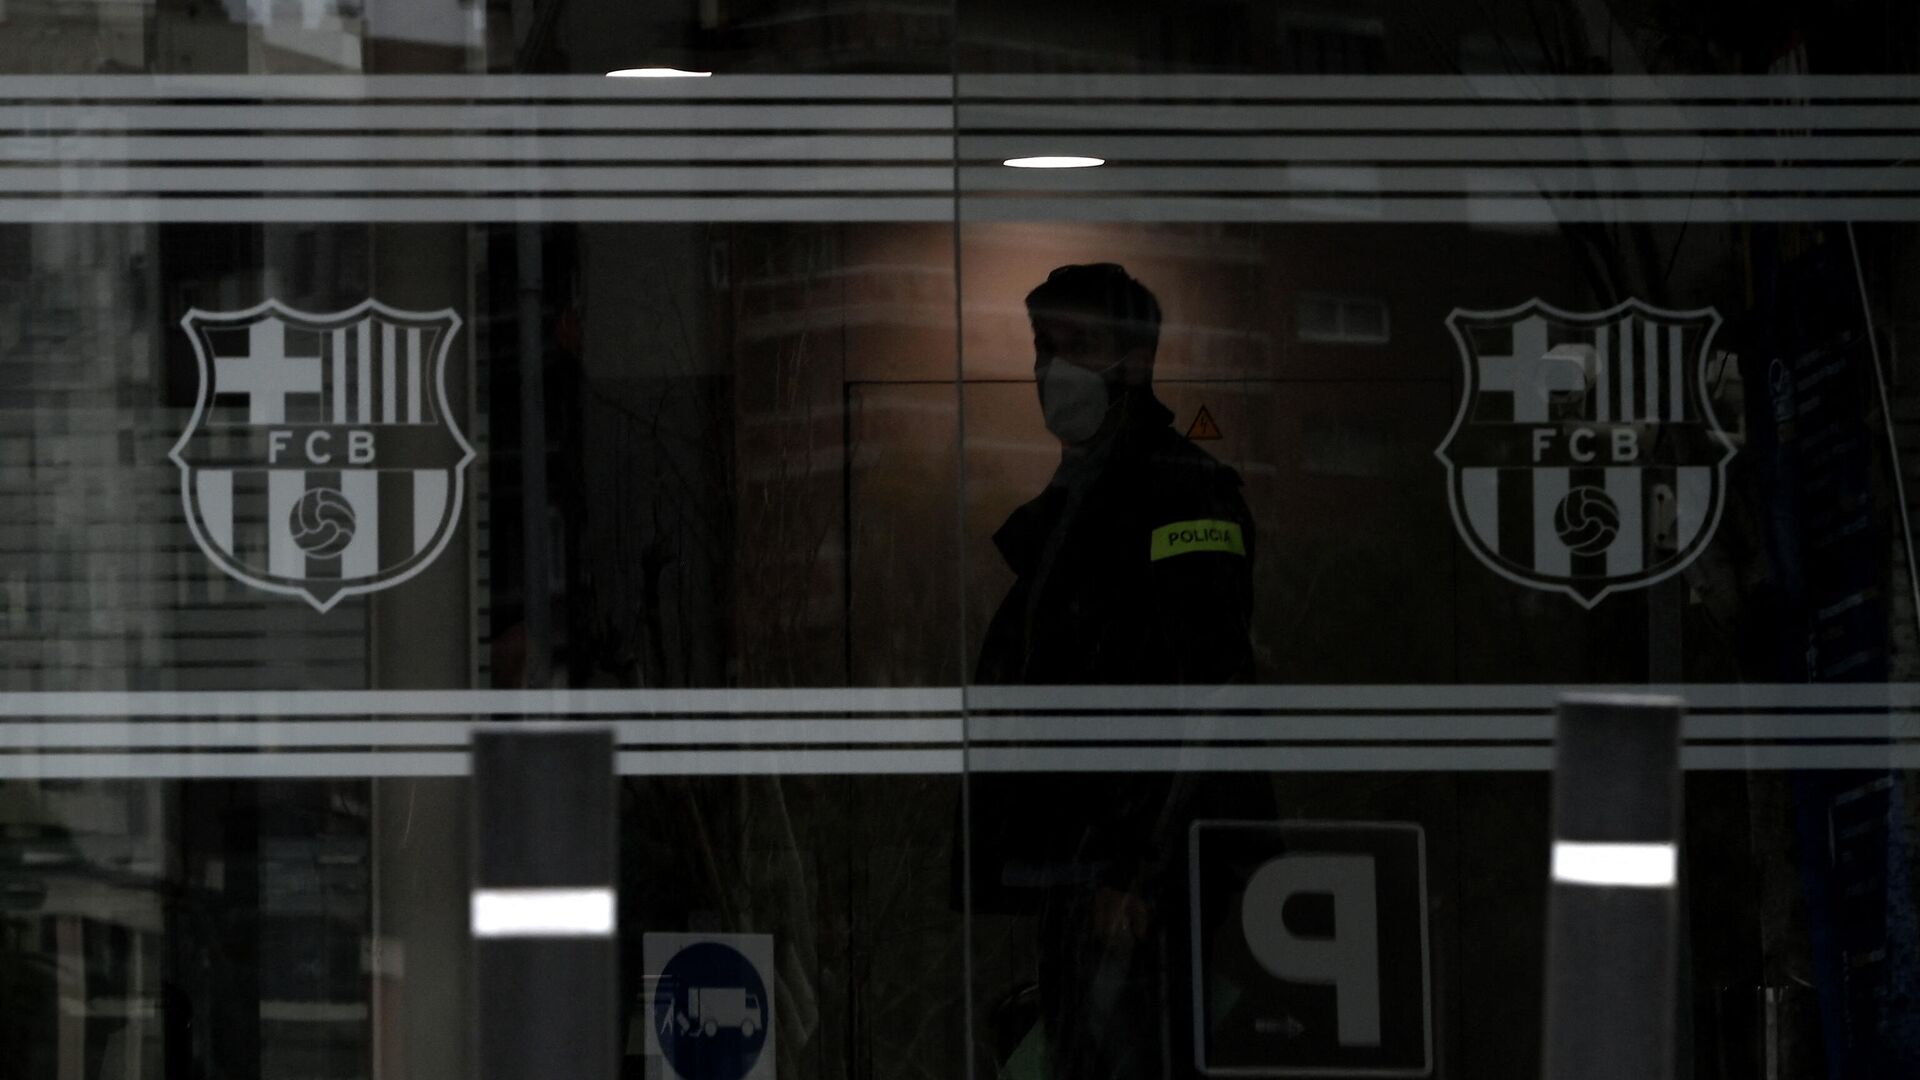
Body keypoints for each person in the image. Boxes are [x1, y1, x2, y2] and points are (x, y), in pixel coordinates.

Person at [972, 263, 1259, 1080]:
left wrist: (1136, 871)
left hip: (1138, 890)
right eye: (1043, 347)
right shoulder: (1082, 500)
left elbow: (1206, 690)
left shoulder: (1181, 493)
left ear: (1134, 362)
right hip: (1085, 873)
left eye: (1079, 346)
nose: (1053, 368)